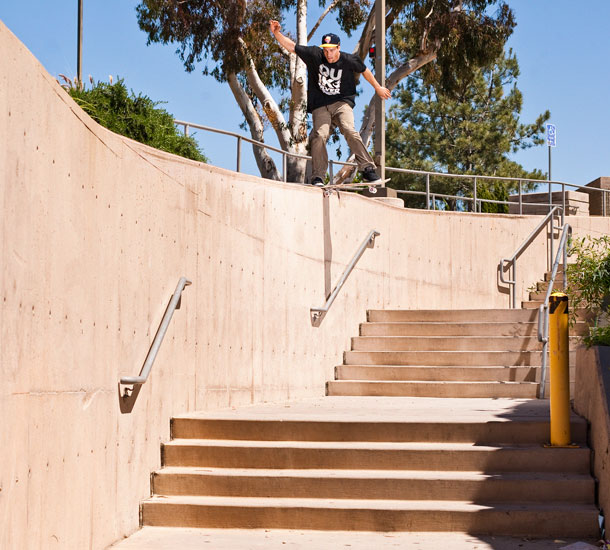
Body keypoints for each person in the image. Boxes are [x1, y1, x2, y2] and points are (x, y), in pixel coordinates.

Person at [269, 20, 391, 186]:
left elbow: (365, 70)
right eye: (326, 51)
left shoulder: (349, 59)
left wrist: (378, 87)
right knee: (319, 136)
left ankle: (368, 169)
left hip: (342, 103)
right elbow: (292, 47)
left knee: (348, 129)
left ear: (338, 48)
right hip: (321, 106)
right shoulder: (314, 54)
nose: (328, 55)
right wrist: (276, 33)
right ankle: (318, 176)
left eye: (332, 51)